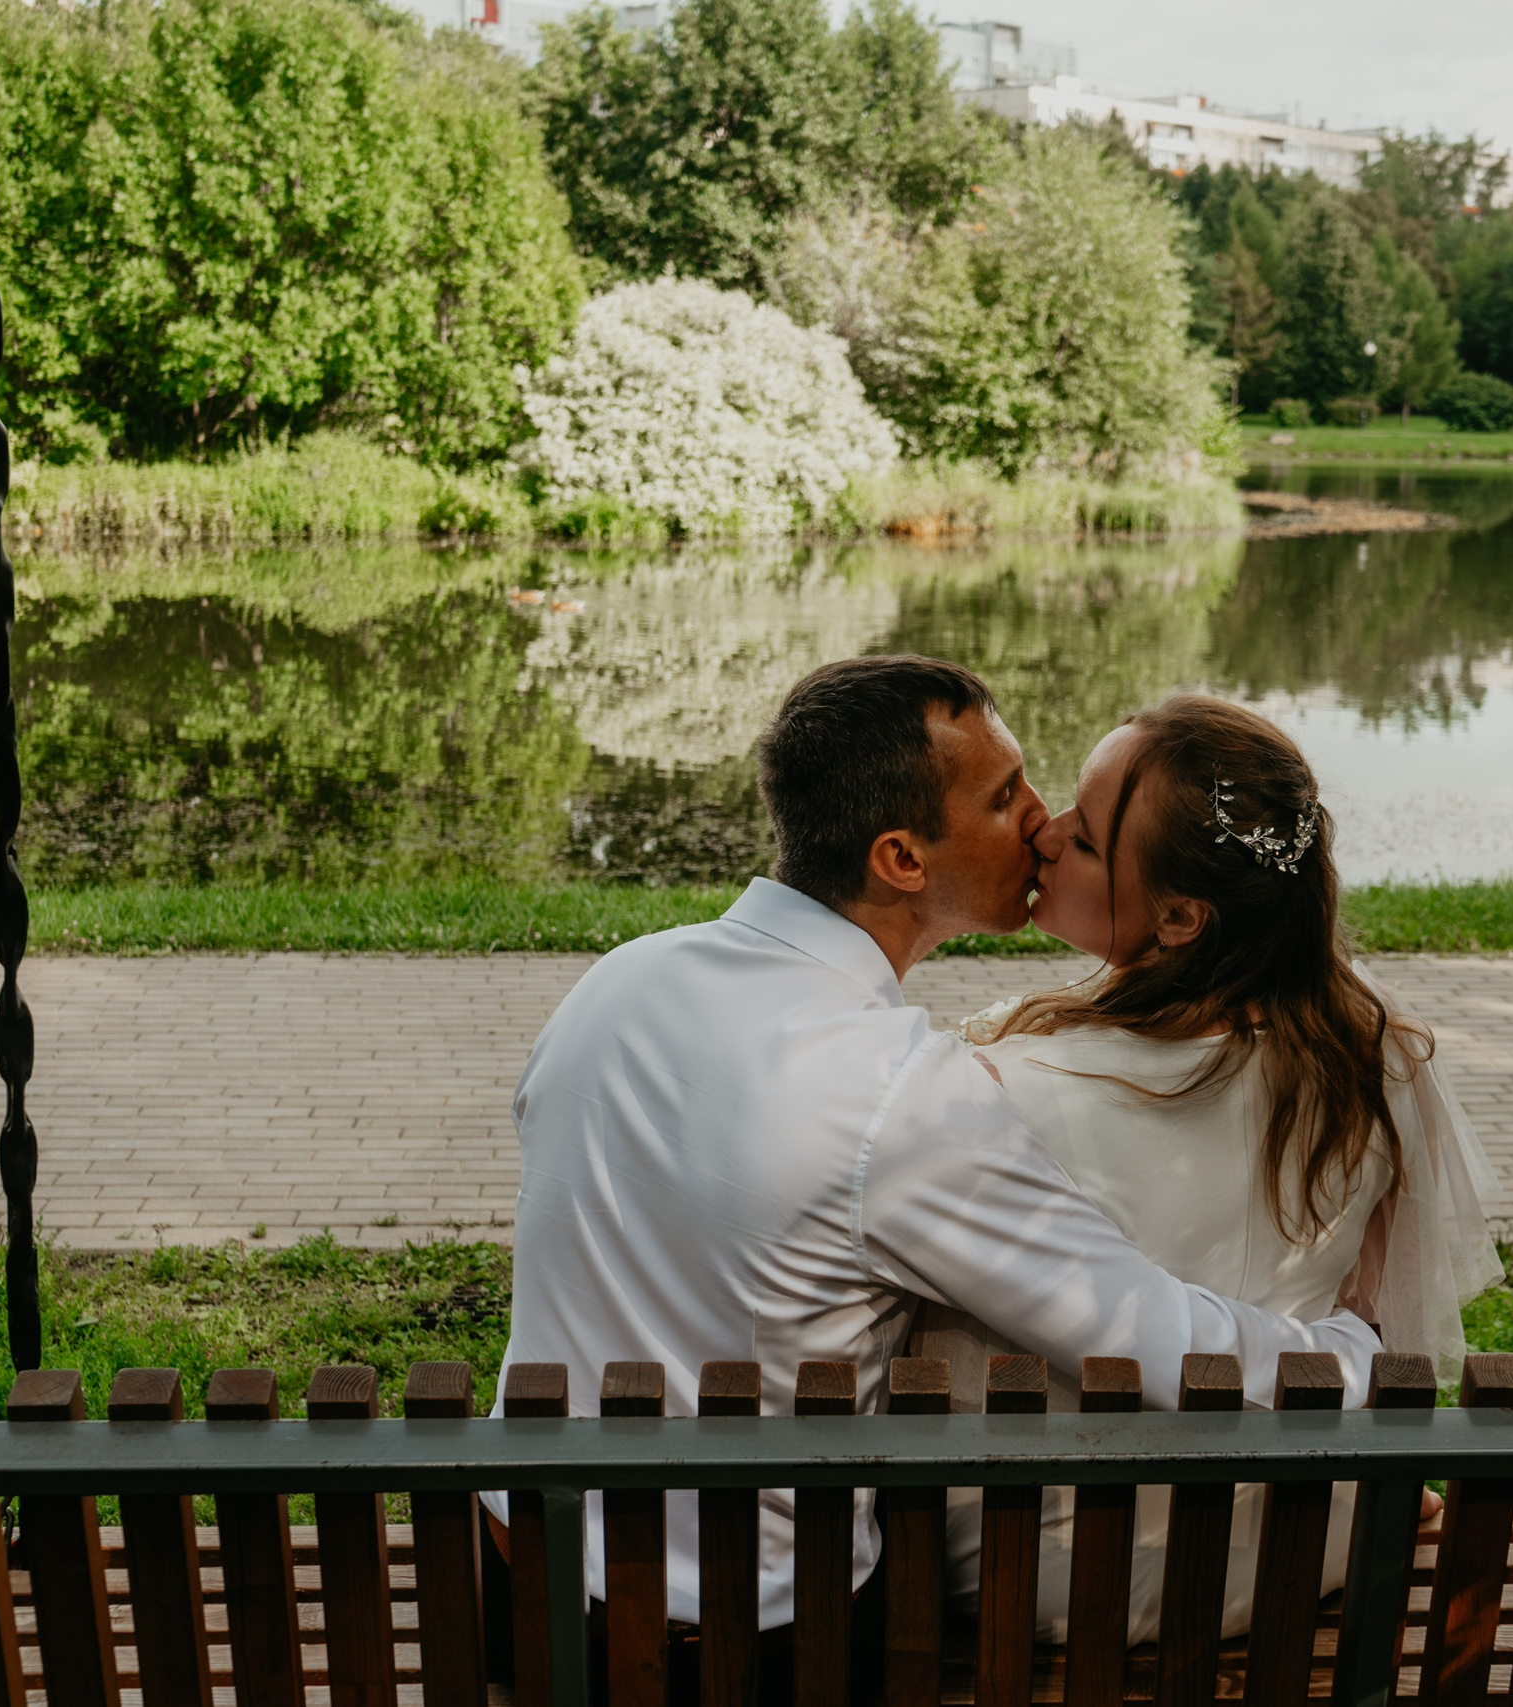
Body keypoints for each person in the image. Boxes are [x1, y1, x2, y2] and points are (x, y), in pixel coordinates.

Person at [482, 657, 1381, 1648]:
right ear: (902, 860)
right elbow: (1138, 1334)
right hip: (748, 1636)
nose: (1041, 821)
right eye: (1004, 799)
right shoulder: (900, 1100)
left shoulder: (617, 982)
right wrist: (1346, 1354)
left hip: (514, 1572)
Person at [922, 695, 1501, 1643]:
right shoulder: (1375, 1059)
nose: (1046, 830)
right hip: (1295, 1541)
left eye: (1090, 837)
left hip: (1046, 1571)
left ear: (1182, 915)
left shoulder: (999, 1089)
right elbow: (1384, 1326)